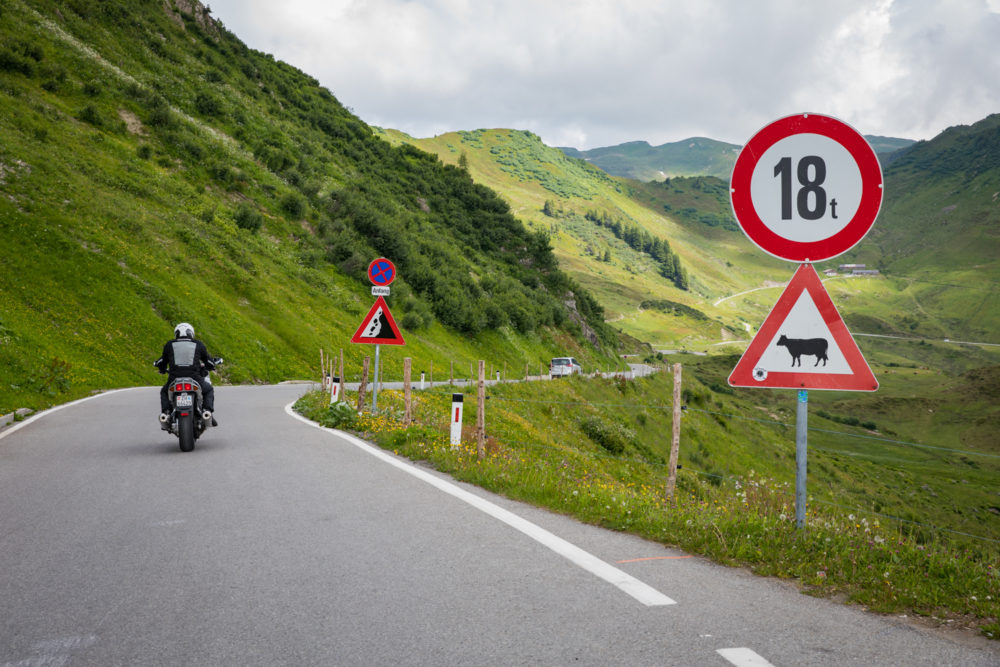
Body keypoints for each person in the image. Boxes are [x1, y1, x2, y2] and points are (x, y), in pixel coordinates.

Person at [155, 322, 217, 427]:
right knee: (208, 389)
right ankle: (207, 411)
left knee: (164, 392)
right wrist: (212, 365)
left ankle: (166, 414)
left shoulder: (170, 345)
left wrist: (161, 368)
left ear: (176, 334)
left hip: (174, 379)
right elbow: (209, 362)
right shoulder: (198, 344)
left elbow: (162, 362)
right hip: (195, 378)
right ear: (191, 333)